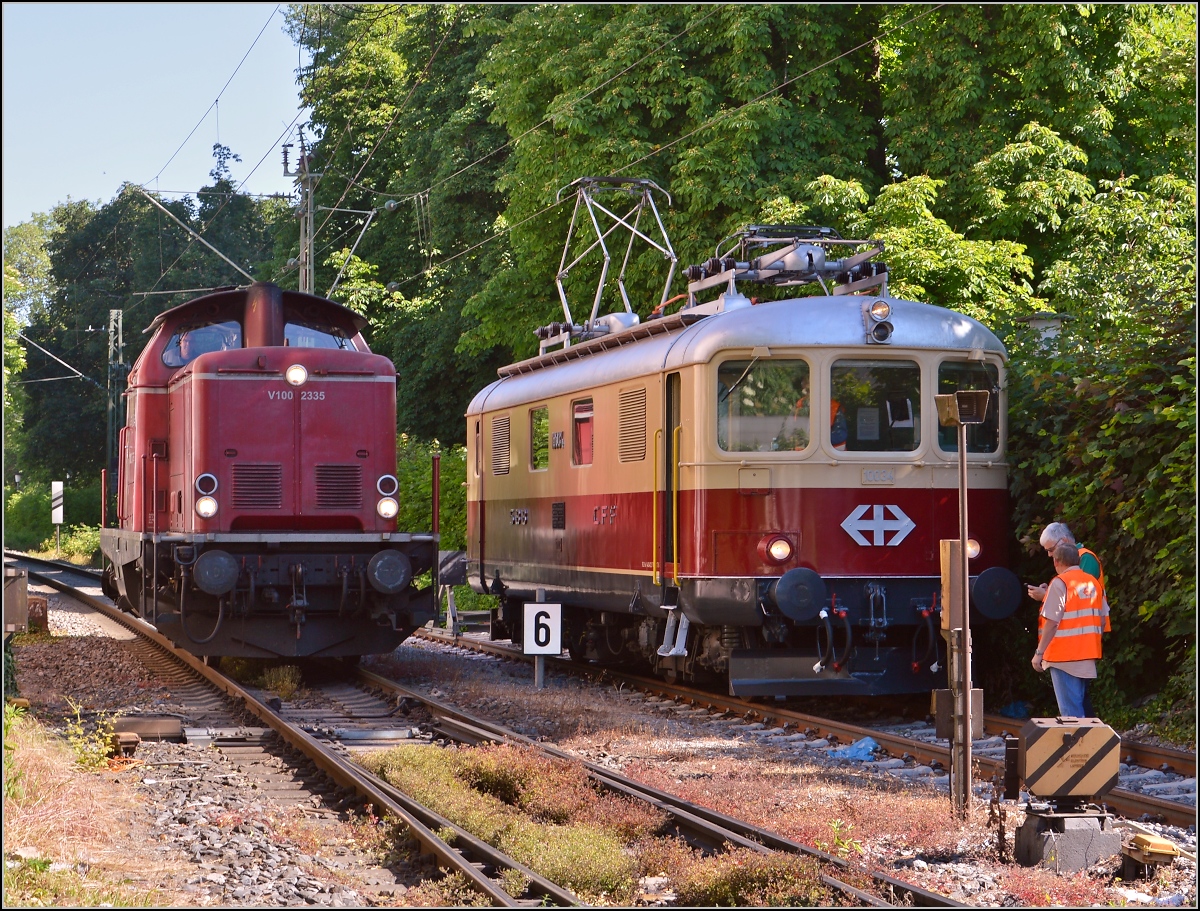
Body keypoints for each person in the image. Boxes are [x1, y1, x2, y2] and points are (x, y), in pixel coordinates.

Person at [1031, 543, 1109, 718]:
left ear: (1057, 561)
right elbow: (1102, 620)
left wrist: (1039, 653)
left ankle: (1083, 745)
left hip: (1063, 657)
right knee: (1079, 708)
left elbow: (1052, 622)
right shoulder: (1093, 583)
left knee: (1071, 715)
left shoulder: (1060, 583)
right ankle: (1090, 744)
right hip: (1087, 655)